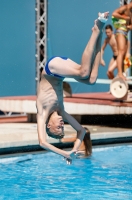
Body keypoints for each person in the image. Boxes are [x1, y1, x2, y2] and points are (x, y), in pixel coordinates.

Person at [36, 12, 109, 164]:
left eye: (58, 128)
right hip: (60, 74)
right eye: (62, 129)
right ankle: (99, 32)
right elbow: (82, 131)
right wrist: (74, 149)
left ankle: (96, 29)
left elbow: (42, 143)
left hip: (51, 68)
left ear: (48, 126)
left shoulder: (42, 113)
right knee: (91, 80)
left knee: (83, 72)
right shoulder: (61, 111)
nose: (62, 126)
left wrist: (65, 154)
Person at [112, 0, 132, 80]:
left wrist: (129, 26)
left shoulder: (131, 12)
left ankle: (122, 73)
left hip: (125, 33)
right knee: (121, 52)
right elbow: (114, 13)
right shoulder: (125, 7)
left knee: (124, 53)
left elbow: (131, 26)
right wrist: (124, 17)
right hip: (120, 31)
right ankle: (119, 73)